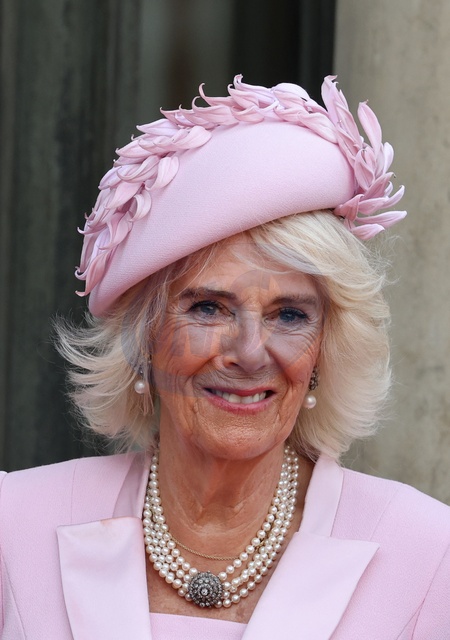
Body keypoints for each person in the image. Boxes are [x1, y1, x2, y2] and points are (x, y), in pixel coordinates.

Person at [1, 75, 449, 640]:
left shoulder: (429, 556)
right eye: (209, 308)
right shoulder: (13, 526)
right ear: (143, 338)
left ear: (323, 352)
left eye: (290, 315)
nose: (250, 352)